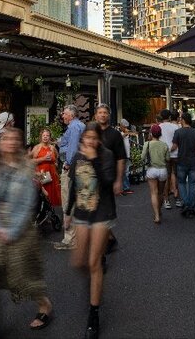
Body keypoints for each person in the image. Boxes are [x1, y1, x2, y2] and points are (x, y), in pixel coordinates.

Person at [0, 127, 53, 336]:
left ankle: (44, 304)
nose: (9, 142)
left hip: (20, 229)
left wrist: (12, 231)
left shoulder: (26, 167)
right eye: (5, 138)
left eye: (14, 139)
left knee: (22, 278)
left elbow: (27, 203)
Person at [65, 123, 116, 339]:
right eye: (87, 137)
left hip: (102, 213)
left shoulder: (107, 155)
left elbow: (108, 181)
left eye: (94, 137)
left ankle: (93, 315)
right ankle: (95, 284)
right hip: (82, 213)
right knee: (78, 262)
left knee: (94, 263)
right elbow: (73, 186)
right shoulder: (77, 157)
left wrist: (94, 158)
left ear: (99, 139)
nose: (90, 141)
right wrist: (67, 212)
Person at [94, 104, 127, 258]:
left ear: (109, 115)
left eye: (105, 113)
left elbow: (121, 158)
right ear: (95, 115)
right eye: (100, 112)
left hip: (107, 179)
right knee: (96, 212)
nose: (102, 115)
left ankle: (102, 248)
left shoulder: (115, 135)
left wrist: (119, 180)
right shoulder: (91, 132)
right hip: (91, 179)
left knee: (102, 212)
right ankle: (109, 238)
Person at [55, 104, 85, 250]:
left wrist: (67, 164)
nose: (63, 116)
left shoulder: (73, 127)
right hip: (81, 167)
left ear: (71, 115)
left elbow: (73, 149)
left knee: (68, 201)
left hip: (71, 168)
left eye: (65, 114)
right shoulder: (80, 126)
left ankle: (70, 239)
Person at [172, 111, 195, 218]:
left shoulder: (178, 132)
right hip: (194, 162)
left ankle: (186, 204)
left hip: (181, 161)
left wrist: (166, 151)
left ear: (183, 120)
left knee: (181, 183)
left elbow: (174, 147)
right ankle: (191, 207)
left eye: (181, 119)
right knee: (193, 184)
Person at [142, 123, 169, 224]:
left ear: (151, 133)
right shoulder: (164, 145)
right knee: (161, 193)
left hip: (152, 170)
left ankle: (157, 216)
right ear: (160, 134)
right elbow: (168, 159)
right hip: (162, 170)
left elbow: (142, 157)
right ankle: (160, 210)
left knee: (154, 192)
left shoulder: (147, 144)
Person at [31, 128, 61, 207]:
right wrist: (43, 159)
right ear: (41, 137)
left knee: (53, 196)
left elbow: (57, 160)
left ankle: (53, 215)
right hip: (42, 174)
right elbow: (31, 161)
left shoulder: (52, 148)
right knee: (44, 194)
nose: (45, 137)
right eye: (44, 135)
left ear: (50, 137)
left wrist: (55, 164)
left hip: (52, 174)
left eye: (47, 135)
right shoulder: (37, 148)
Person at [157, 109, 180, 209]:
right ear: (170, 117)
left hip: (164, 155)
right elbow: (178, 140)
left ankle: (166, 200)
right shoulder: (176, 126)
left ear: (161, 117)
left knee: (166, 177)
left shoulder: (158, 127)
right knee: (176, 174)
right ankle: (177, 197)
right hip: (175, 154)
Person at [118, 118, 134, 195]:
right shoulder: (119, 133)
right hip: (122, 155)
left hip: (127, 155)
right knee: (124, 172)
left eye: (126, 127)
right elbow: (119, 139)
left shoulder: (125, 133)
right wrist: (125, 134)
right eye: (124, 127)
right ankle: (125, 188)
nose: (126, 128)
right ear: (121, 126)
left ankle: (125, 187)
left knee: (126, 172)